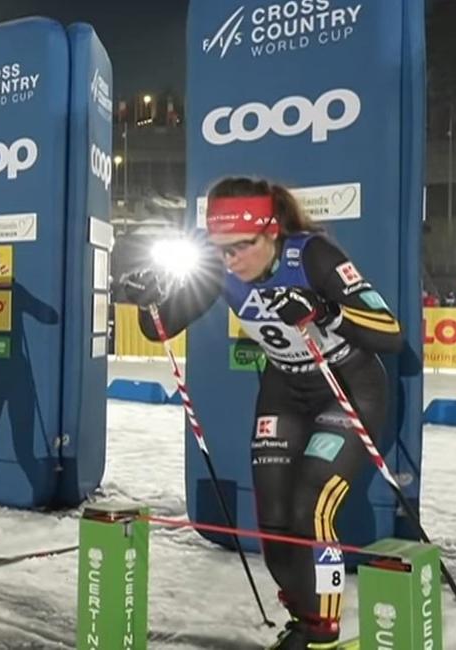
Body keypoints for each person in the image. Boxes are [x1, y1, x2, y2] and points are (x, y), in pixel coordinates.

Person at [116, 177, 403, 649]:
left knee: (312, 506)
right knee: (271, 516)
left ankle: (324, 632)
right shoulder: (220, 264)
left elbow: (391, 332)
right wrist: (147, 300)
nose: (230, 260)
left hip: (347, 385)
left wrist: (325, 311)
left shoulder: (313, 255)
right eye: (220, 248)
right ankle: (302, 613)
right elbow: (163, 325)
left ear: (271, 232)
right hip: (285, 388)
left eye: (241, 247)